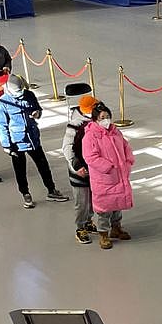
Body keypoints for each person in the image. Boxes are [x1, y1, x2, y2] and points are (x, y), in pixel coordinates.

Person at [0, 74, 70, 208]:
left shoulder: (29, 95)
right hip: (16, 142)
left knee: (43, 166)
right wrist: (6, 145)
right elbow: (1, 126)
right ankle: (25, 194)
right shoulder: (3, 102)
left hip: (33, 138)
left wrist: (37, 113)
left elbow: (38, 109)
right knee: (20, 170)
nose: (20, 94)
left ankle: (51, 190)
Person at [82, 100, 135, 250]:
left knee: (117, 204)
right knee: (104, 208)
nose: (105, 120)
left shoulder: (115, 131)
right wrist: (108, 167)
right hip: (105, 178)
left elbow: (125, 146)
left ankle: (116, 228)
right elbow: (90, 157)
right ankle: (103, 234)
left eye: (107, 116)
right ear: (95, 119)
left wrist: (128, 161)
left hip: (120, 175)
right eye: (102, 117)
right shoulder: (90, 136)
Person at [62, 95, 98, 244]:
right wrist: (76, 166)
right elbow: (67, 148)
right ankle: (80, 227)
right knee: (81, 201)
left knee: (91, 199)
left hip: (93, 169)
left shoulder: (95, 122)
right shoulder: (75, 126)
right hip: (79, 170)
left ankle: (88, 220)